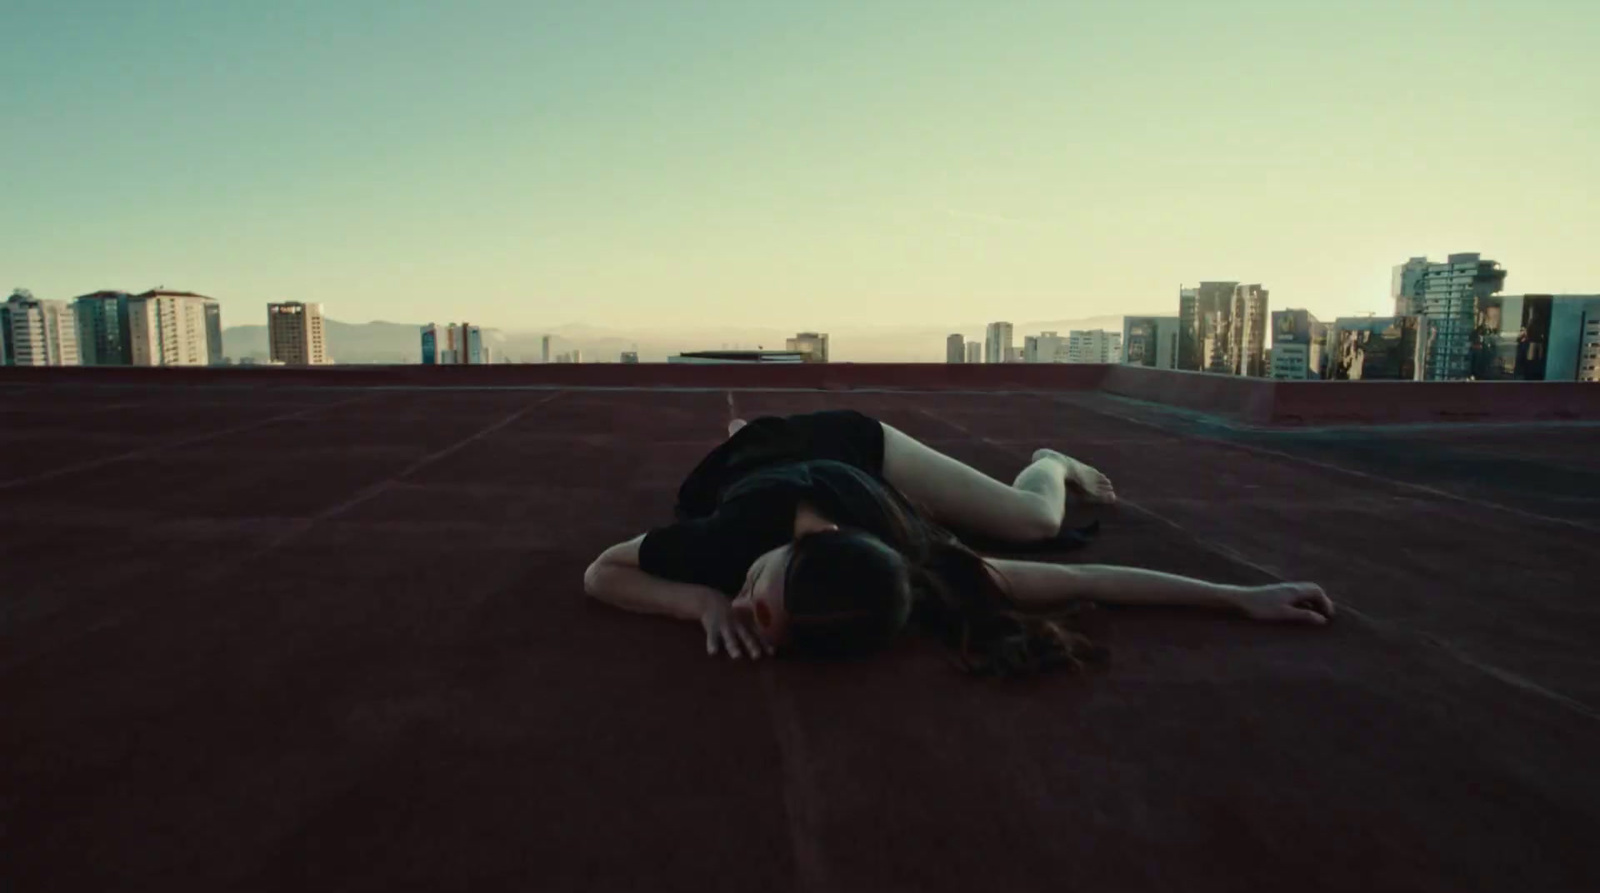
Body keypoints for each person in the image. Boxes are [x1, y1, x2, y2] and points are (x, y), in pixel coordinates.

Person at [584, 409, 1334, 676]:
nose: (742, 600)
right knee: (1034, 531)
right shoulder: (745, 548)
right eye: (760, 597)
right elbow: (600, 568)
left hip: (839, 464)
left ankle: (1051, 461)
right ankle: (759, 434)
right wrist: (700, 602)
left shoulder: (742, 544)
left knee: (1034, 531)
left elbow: (603, 570)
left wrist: (1239, 598)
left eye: (752, 596)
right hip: (821, 459)